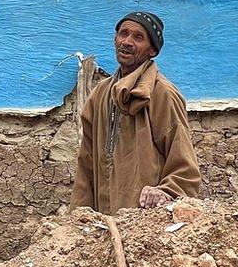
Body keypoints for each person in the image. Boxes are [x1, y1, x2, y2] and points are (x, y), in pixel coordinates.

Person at [70, 11, 201, 214]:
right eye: (123, 34)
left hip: (144, 225)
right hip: (104, 225)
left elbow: (186, 170)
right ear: (115, 39)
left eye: (138, 37)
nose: (127, 42)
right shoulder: (100, 95)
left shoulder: (161, 94)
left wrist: (164, 192)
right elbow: (86, 165)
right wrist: (78, 216)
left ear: (152, 51)